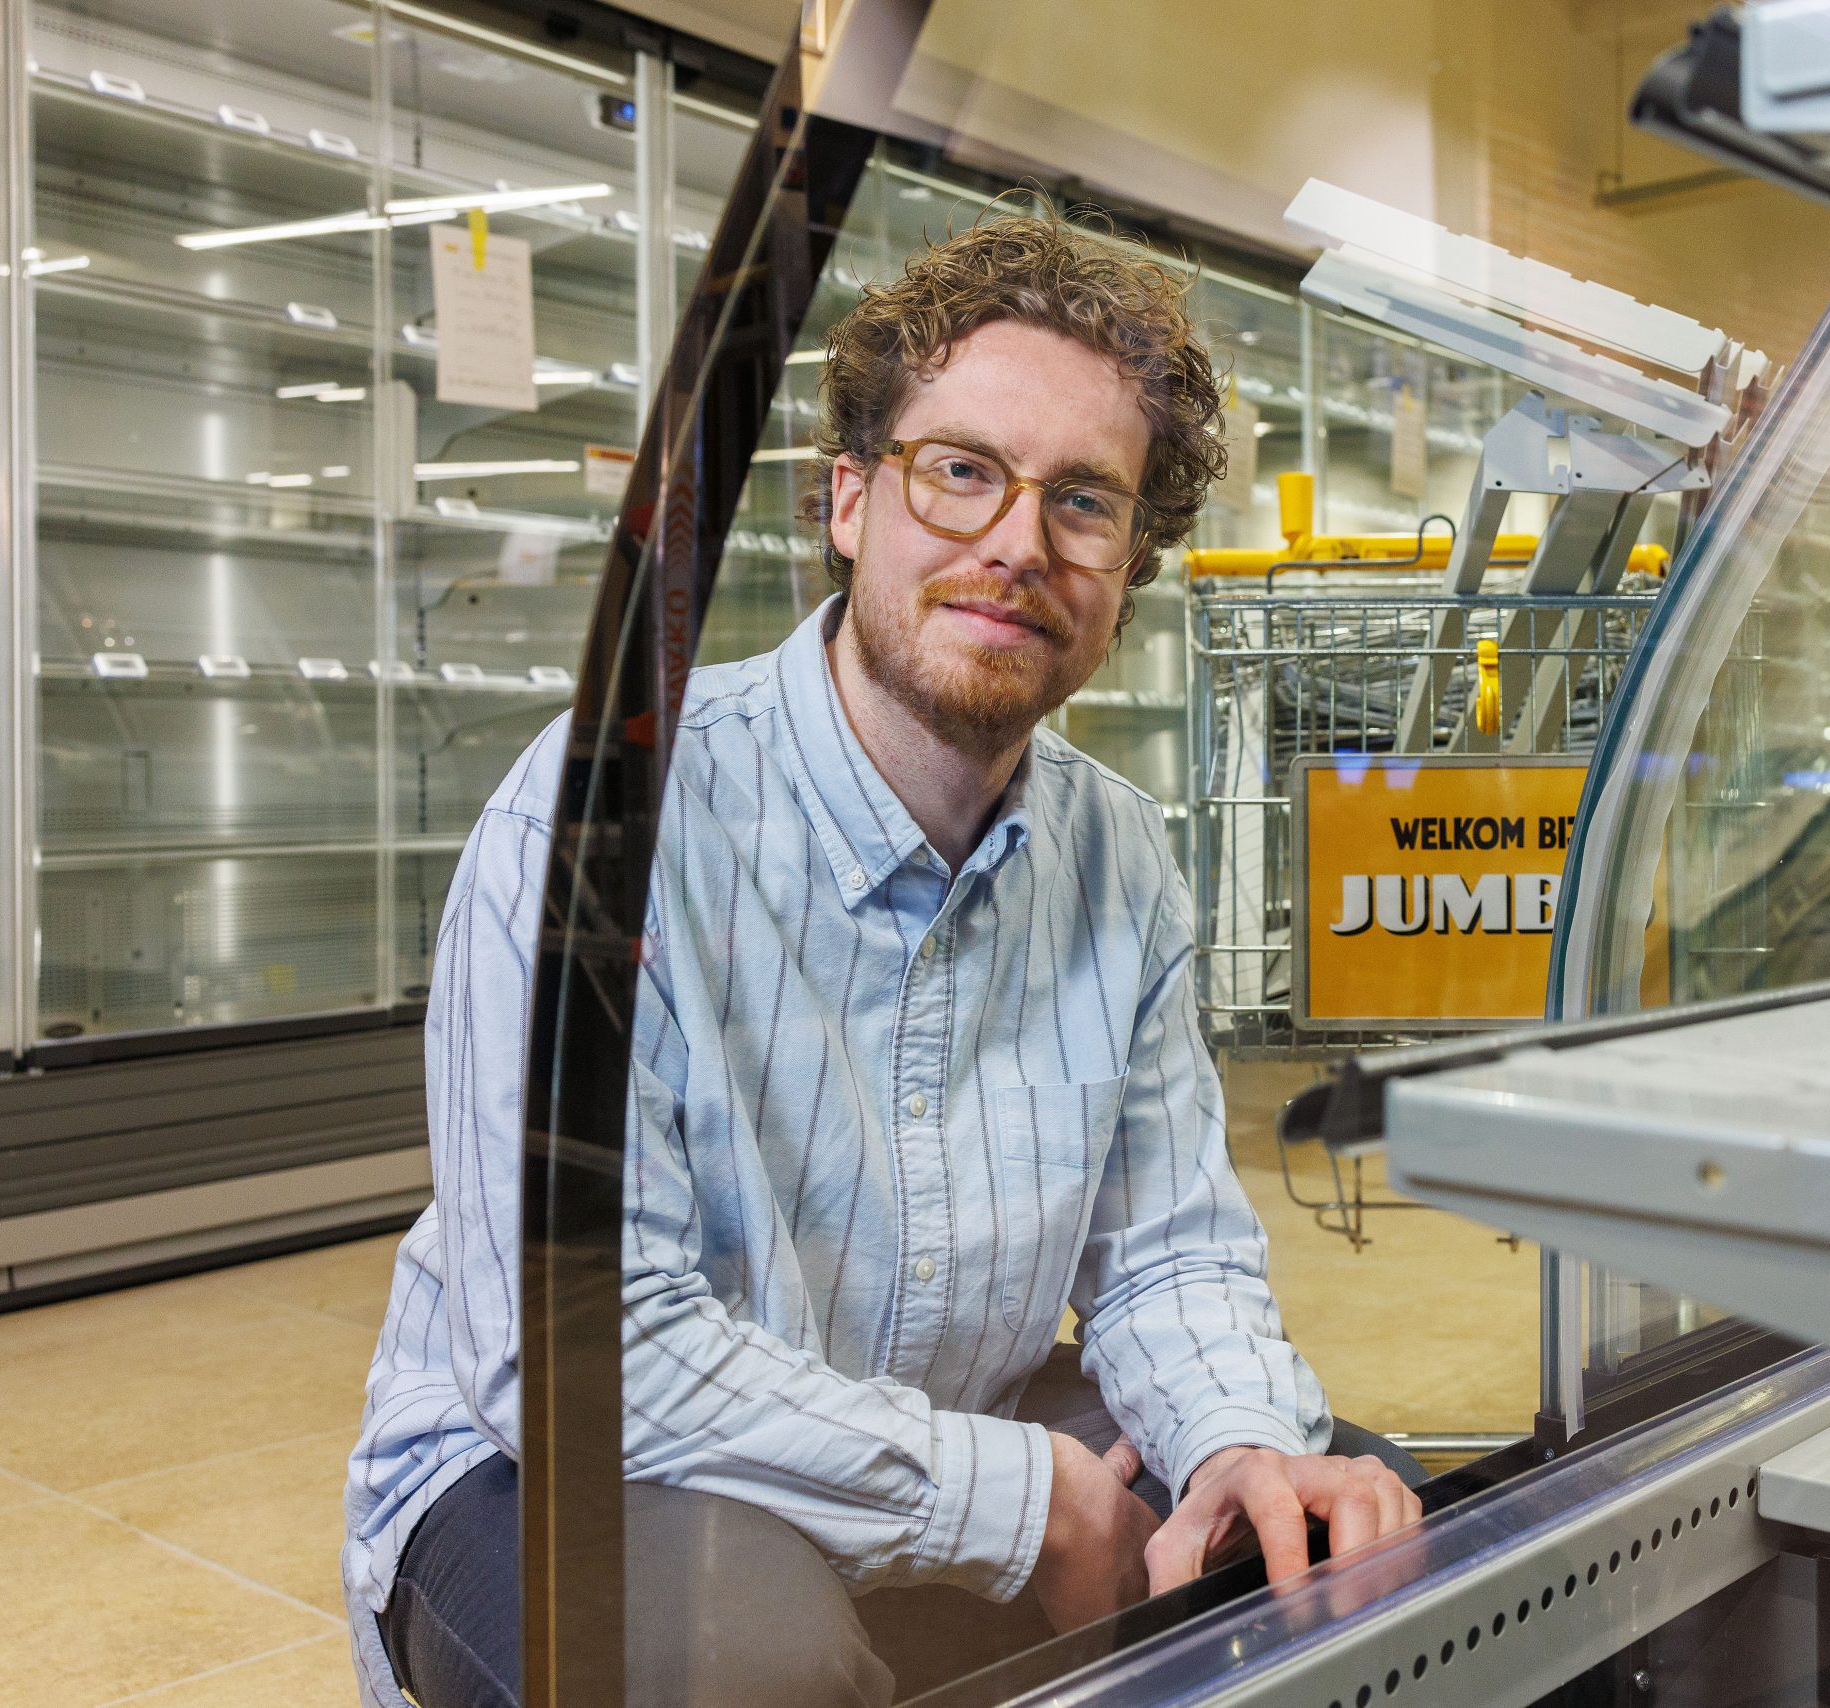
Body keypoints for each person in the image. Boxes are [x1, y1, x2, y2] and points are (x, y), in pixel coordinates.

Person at [342, 215, 1424, 1708]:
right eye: (961, 470)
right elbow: (581, 1350)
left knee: (1337, 1521)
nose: (1017, 546)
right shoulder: (609, 815)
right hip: (544, 1462)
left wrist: (1243, 1441)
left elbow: (1168, 1253)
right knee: (732, 1666)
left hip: (929, 1403)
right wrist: (1017, 1499)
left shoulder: (1120, 855)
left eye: (1086, 503)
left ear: (1131, 570)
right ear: (850, 499)